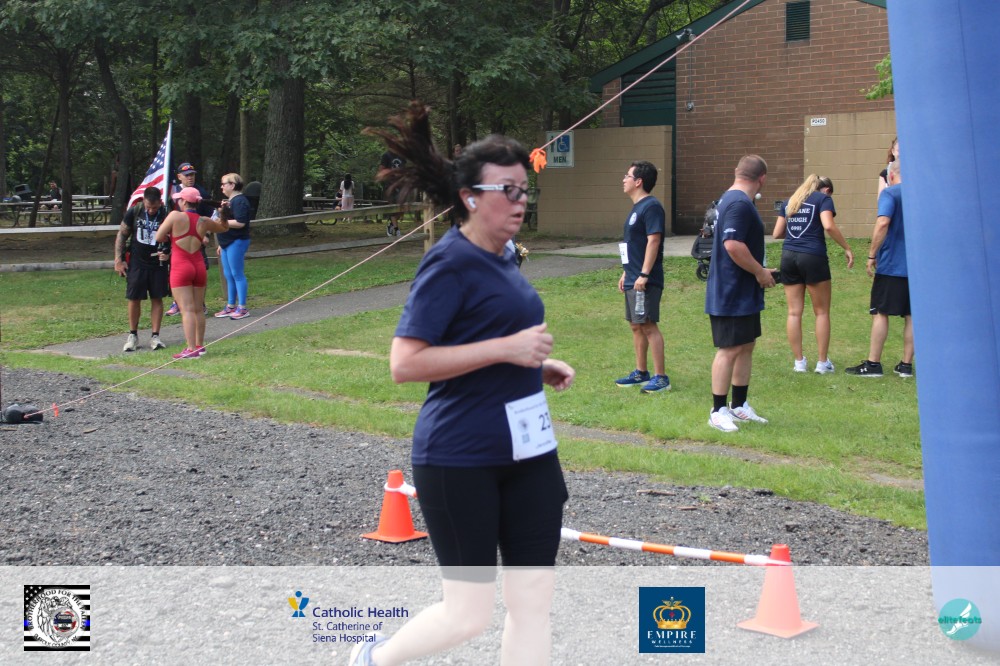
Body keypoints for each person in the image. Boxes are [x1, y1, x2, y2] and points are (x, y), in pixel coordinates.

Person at [350, 102, 575, 666]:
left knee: (533, 603)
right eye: (508, 191)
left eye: (525, 190)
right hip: (461, 457)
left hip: (530, 453)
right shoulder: (448, 262)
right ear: (471, 197)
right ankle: (371, 659)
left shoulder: (503, 258)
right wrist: (506, 351)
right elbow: (405, 363)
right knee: (469, 614)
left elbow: (485, 337)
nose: (521, 202)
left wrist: (531, 366)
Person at [705, 155, 776, 433]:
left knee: (746, 344)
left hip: (743, 289)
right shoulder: (738, 203)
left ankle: (738, 405)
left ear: (737, 172)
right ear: (762, 178)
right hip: (730, 290)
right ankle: (717, 410)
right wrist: (760, 272)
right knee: (730, 348)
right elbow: (732, 244)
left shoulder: (734, 199)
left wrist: (760, 272)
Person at [772, 175, 854, 373]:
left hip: (788, 256)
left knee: (793, 312)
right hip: (813, 256)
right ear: (826, 190)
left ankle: (799, 363)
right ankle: (822, 363)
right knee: (822, 312)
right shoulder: (823, 199)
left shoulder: (791, 201)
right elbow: (828, 225)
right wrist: (846, 247)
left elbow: (776, 233)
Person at [846, 159, 913, 377]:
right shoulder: (921, 194)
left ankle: (873, 364)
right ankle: (906, 365)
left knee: (880, 312)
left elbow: (883, 222)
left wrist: (871, 254)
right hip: (917, 266)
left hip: (892, 265)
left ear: (891, 176)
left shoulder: (890, 193)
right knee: (912, 315)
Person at [613, 160, 670, 393]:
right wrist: (627, 272)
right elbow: (634, 245)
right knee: (636, 325)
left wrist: (644, 274)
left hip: (645, 279)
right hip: (632, 277)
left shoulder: (651, 206)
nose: (623, 180)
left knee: (647, 324)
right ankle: (641, 372)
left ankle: (661, 377)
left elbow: (653, 240)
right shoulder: (636, 208)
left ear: (638, 181)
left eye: (627, 176)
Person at [154, 187, 228, 359]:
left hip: (181, 266)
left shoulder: (175, 216)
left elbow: (158, 237)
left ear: (184, 202)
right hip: (198, 265)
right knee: (198, 309)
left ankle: (190, 348)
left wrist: (169, 237)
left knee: (186, 309)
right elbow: (224, 228)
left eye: (179, 199)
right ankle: (200, 346)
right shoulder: (204, 220)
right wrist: (223, 213)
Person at [114, 186, 169, 352]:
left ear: (160, 203)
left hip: (158, 263)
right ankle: (133, 335)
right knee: (134, 297)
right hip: (137, 261)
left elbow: (175, 238)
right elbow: (122, 234)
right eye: (148, 207)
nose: (151, 210)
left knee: (157, 297)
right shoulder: (135, 211)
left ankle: (155, 336)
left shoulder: (166, 213)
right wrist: (118, 260)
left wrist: (168, 254)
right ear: (143, 201)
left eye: (155, 207)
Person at [165, 162, 216, 316]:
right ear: (179, 176)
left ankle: (201, 303)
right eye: (187, 175)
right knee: (176, 270)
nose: (190, 178)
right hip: (177, 239)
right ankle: (177, 302)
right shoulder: (172, 193)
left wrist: (206, 234)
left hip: (196, 238)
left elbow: (211, 216)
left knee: (200, 268)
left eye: (192, 175)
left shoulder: (201, 194)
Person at [212, 173, 252, 320]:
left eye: (224, 184)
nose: (221, 187)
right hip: (226, 243)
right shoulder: (230, 201)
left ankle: (242, 307)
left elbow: (240, 222)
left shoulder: (240, 201)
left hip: (237, 241)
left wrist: (221, 222)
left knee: (237, 274)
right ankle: (231, 306)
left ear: (232, 185)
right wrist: (221, 245)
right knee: (228, 274)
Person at [380, 150, 405, 236]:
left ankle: (391, 224)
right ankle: (397, 230)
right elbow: (382, 169)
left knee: (401, 209)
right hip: (390, 186)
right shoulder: (386, 155)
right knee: (393, 208)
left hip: (401, 185)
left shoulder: (402, 156)